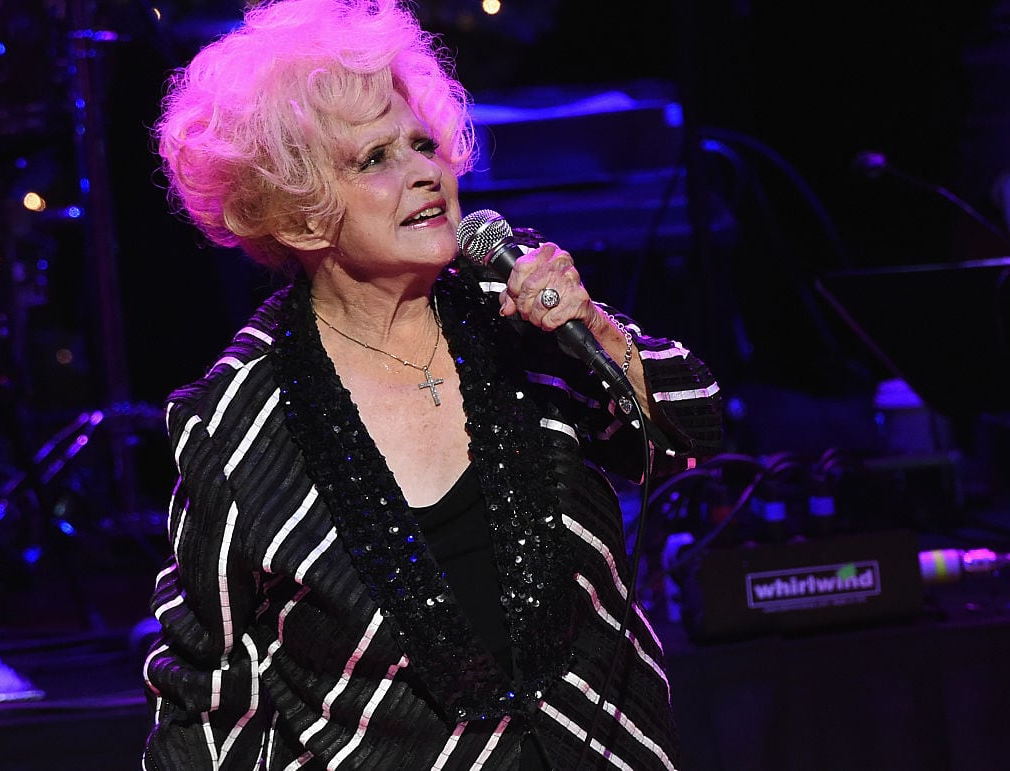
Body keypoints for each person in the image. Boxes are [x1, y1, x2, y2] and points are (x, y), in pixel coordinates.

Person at [140, 1, 721, 768]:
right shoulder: (238, 420)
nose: (423, 170)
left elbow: (693, 434)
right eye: (374, 159)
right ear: (300, 213)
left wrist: (603, 338)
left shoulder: (519, 320)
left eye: (423, 143)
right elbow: (208, 691)